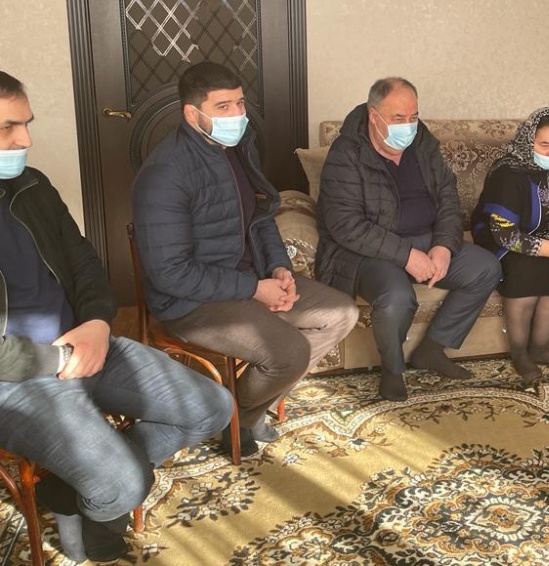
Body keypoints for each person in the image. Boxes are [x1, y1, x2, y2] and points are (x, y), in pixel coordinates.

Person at [0, 71, 233, 563]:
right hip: (15, 380)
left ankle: (69, 491)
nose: (25, 141)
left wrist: (97, 325)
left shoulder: (32, 186)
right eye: (7, 128)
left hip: (83, 342)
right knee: (124, 484)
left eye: (26, 124)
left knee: (213, 407)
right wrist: (62, 357)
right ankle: (103, 494)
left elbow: (84, 262)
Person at [132, 62, 358, 453]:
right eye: (223, 107)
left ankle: (242, 416)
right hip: (191, 302)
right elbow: (171, 274)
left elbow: (262, 217)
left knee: (341, 314)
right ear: (192, 115)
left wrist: (279, 268)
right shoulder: (164, 174)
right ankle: (234, 419)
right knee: (289, 352)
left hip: (251, 279)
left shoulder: (238, 147)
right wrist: (255, 288)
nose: (238, 114)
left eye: (239, 103)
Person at [314, 77, 502, 402]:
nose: (408, 125)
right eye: (398, 118)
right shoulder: (346, 154)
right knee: (396, 297)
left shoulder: (422, 143)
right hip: (369, 252)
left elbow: (448, 197)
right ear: (374, 116)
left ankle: (431, 349)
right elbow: (346, 226)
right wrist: (407, 256)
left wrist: (444, 246)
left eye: (413, 116)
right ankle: (392, 369)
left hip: (427, 239)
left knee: (486, 268)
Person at [471, 107, 549, 381]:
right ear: (529, 141)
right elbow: (504, 234)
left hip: (543, 234)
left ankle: (539, 348)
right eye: (544, 145)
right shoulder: (508, 173)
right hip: (501, 237)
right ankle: (519, 353)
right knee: (525, 267)